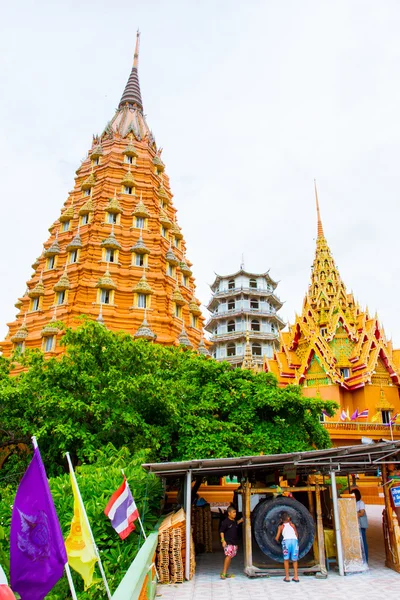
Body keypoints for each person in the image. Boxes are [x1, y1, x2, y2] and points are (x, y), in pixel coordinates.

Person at [219, 505, 243, 579]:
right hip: (228, 542)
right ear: (229, 513)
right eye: (233, 512)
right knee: (228, 556)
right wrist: (223, 541)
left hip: (234, 543)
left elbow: (236, 523)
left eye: (235, 512)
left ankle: (225, 573)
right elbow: (221, 531)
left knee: (230, 557)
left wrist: (241, 520)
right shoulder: (225, 522)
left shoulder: (234, 521)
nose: (235, 514)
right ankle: (223, 573)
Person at [275, 512, 299, 582]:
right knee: (295, 560)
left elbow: (277, 538)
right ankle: (296, 577)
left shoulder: (281, 527)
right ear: (289, 518)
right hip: (294, 541)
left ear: (281, 520)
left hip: (286, 542)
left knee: (286, 559)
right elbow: (296, 535)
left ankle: (287, 577)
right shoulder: (293, 525)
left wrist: (277, 541)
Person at [352, 488, 368, 562]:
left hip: (360, 525)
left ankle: (365, 560)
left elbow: (361, 513)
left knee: (363, 542)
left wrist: (352, 514)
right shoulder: (352, 502)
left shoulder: (360, 503)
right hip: (354, 525)